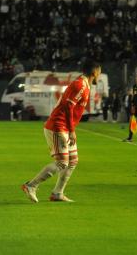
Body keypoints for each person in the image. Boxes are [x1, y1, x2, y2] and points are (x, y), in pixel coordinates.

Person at [21, 59, 101, 203]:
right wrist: (71, 130)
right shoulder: (80, 85)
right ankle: (31, 185)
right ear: (94, 72)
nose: (99, 75)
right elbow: (68, 107)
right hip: (58, 127)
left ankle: (57, 193)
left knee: (73, 161)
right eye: (99, 72)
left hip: (64, 127)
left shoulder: (84, 85)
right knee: (62, 162)